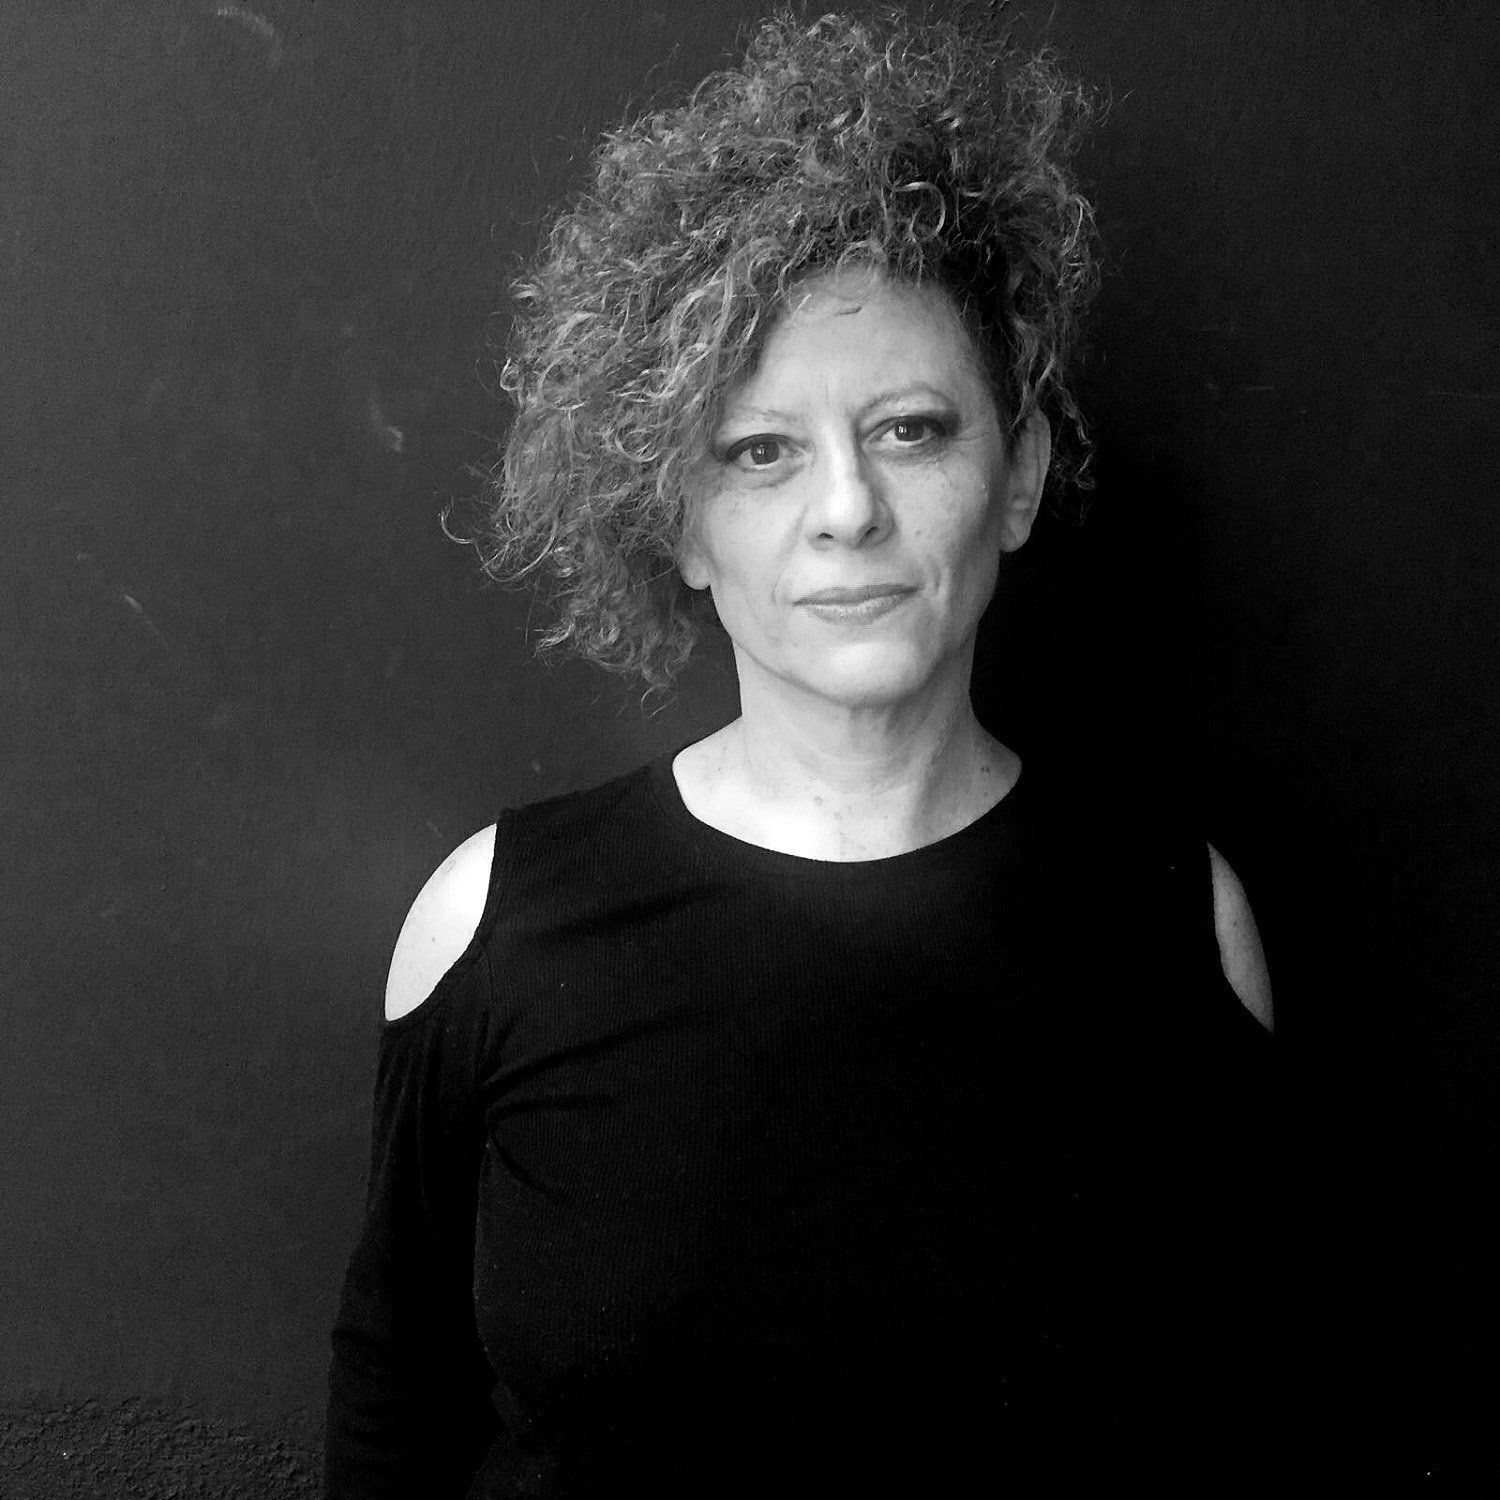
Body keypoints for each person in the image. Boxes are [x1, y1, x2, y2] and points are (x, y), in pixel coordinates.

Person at [326, 8, 1291, 1495]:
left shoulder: (1173, 921)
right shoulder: (494, 924)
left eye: (909, 430)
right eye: (762, 451)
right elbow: (396, 1407)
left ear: (1019, 475)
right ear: (681, 525)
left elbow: (1258, 1426)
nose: (847, 510)